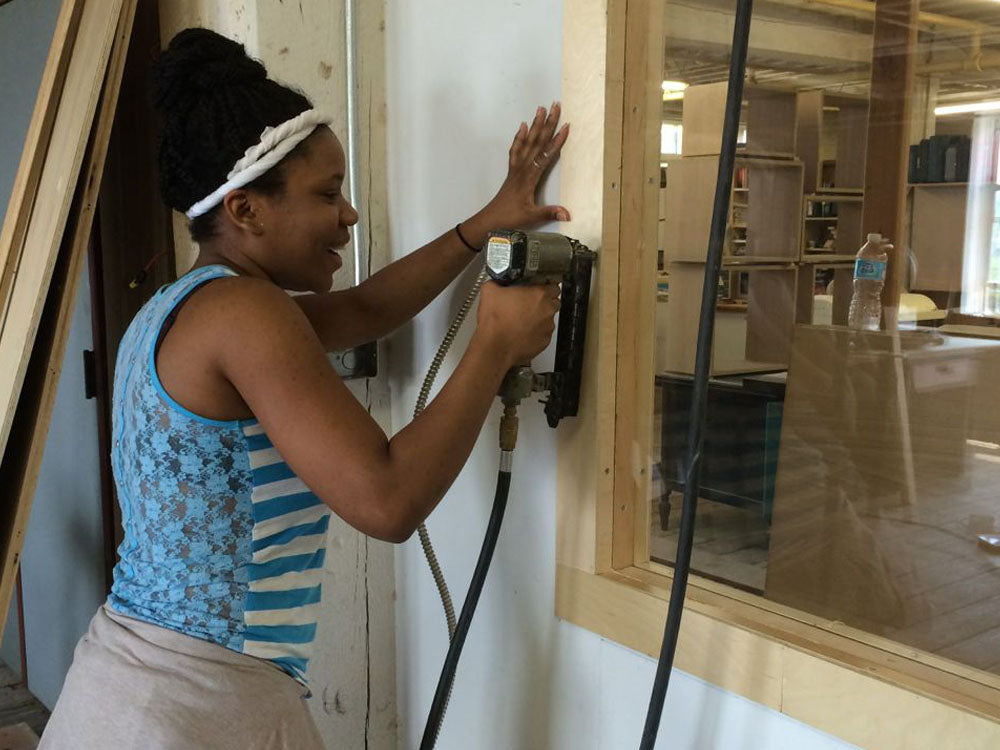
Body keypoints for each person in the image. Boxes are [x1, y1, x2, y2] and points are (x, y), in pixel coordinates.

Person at [40, 27, 569, 749]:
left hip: (127, 683)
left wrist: (487, 222)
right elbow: (387, 501)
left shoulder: (182, 308)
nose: (348, 214)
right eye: (328, 193)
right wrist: (494, 345)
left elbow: (366, 309)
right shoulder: (244, 313)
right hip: (194, 706)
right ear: (246, 210)